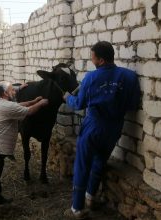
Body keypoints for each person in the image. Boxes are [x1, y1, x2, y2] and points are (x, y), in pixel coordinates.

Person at [63, 41, 141, 219]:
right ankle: (91, 196)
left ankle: (77, 208)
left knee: (83, 164)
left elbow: (80, 104)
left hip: (94, 126)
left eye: (93, 57)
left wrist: (68, 98)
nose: (91, 60)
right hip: (114, 128)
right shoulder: (129, 76)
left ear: (102, 60)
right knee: (100, 161)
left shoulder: (91, 78)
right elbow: (133, 104)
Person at [0, 81, 48, 219]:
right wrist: (41, 103)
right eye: (12, 90)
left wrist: (33, 100)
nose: (15, 92)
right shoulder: (6, 106)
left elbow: (19, 106)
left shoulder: (2, 103)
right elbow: (28, 111)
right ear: (5, 93)